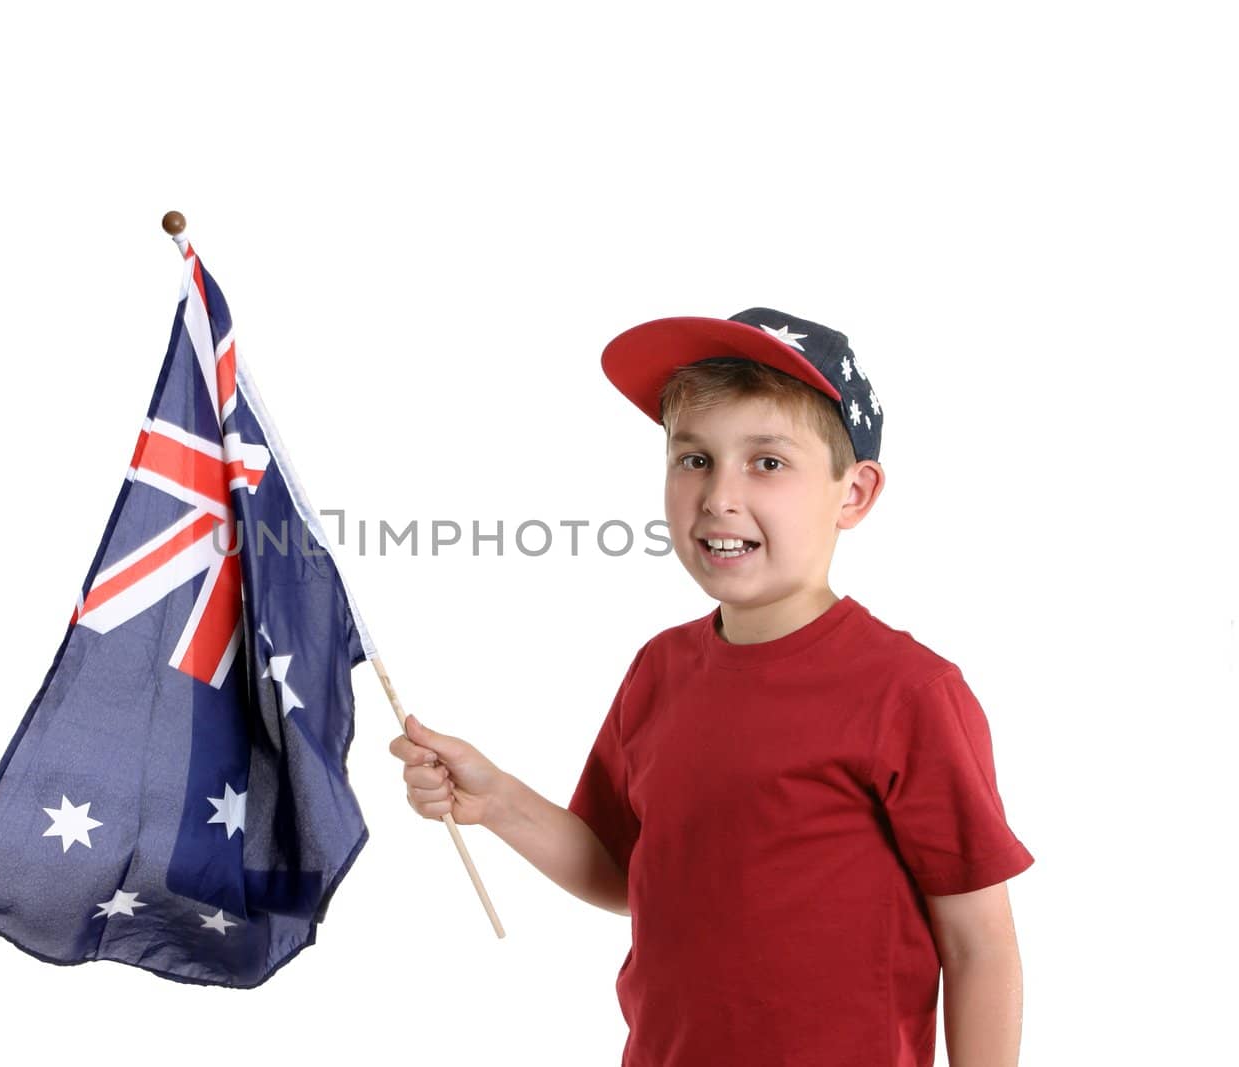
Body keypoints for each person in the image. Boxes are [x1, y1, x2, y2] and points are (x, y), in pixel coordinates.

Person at [388, 308, 1034, 1066]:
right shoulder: (659, 671)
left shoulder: (908, 692)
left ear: (853, 493)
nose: (720, 495)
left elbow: (980, 945)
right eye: (694, 459)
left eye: (767, 462)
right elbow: (624, 871)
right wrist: (495, 799)